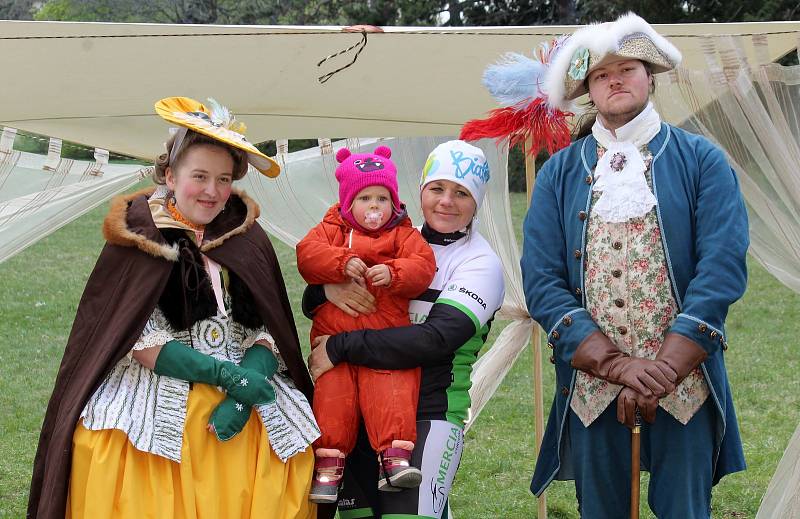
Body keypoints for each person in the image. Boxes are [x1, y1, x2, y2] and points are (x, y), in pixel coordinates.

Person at [27, 96, 320, 519]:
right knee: (125, 449)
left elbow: (270, 328)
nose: (212, 191)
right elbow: (137, 341)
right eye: (199, 176)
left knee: (285, 443)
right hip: (159, 375)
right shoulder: (139, 238)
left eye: (223, 179)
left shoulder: (246, 237)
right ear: (170, 173)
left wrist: (246, 386)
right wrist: (225, 376)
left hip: (245, 372)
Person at [521, 13, 749, 518]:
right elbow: (541, 281)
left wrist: (665, 368)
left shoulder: (703, 160)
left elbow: (723, 267)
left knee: (683, 511)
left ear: (651, 76)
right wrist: (616, 365)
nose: (616, 79)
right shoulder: (559, 173)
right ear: (589, 92)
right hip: (592, 383)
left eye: (628, 68)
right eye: (602, 75)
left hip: (684, 381)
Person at [306, 139, 505, 519]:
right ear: (420, 191)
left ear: (478, 201)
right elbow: (315, 297)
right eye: (437, 188)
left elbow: (434, 340)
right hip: (360, 408)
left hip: (430, 412)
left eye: (461, 193)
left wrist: (340, 347)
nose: (446, 201)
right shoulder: (396, 237)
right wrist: (326, 287)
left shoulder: (481, 263)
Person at [295, 145, 436, 503]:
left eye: (382, 198)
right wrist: (340, 264)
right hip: (334, 336)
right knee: (332, 399)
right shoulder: (330, 229)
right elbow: (307, 257)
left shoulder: (403, 233)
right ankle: (328, 467)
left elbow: (423, 265)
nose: (375, 207)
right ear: (346, 202)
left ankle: (395, 458)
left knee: (391, 390)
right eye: (365, 198)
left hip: (384, 332)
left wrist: (394, 272)